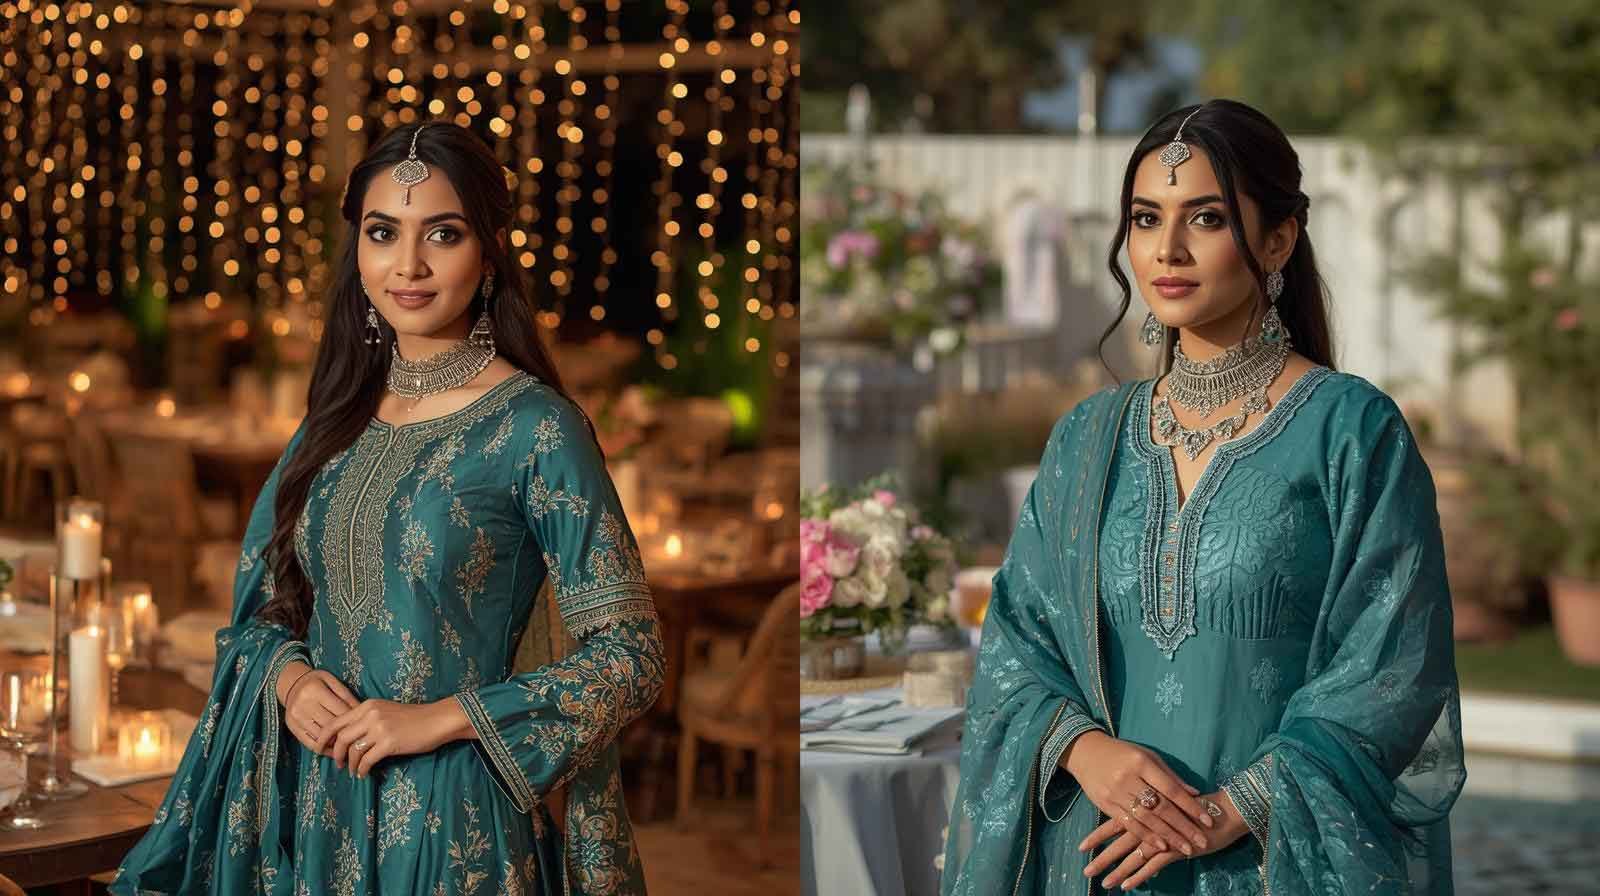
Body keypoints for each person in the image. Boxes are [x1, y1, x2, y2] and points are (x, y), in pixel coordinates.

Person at [112, 121, 664, 895]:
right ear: (359, 250)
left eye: (442, 233)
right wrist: (289, 682)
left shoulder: (536, 427)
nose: (408, 265)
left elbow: (630, 659)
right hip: (311, 808)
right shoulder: (335, 418)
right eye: (383, 233)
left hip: (451, 822)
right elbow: (263, 609)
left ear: (489, 252)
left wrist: (440, 717)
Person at [939, 99, 1465, 895]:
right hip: (1098, 858)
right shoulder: (1087, 439)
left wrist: (1228, 811)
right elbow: (1017, 646)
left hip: (1273, 863)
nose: (1167, 250)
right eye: (1146, 218)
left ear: (1279, 239)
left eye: (1207, 218)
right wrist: (1088, 752)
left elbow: (1393, 667)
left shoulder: (1351, 430)